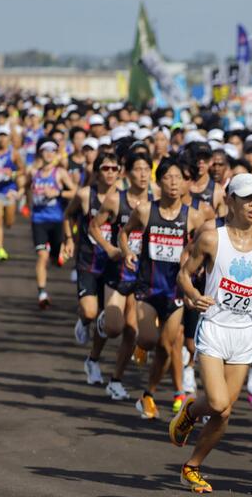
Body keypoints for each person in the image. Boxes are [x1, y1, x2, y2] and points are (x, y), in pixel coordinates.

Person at [167, 174, 252, 493]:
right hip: (215, 327)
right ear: (230, 201)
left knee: (225, 412)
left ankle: (192, 466)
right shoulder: (211, 238)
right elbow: (185, 275)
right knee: (217, 403)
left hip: (245, 333)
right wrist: (193, 294)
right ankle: (191, 409)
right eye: (247, 199)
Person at [119, 157, 205, 419]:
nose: (173, 182)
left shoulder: (194, 216)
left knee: (167, 348)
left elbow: (203, 247)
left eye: (178, 177)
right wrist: (126, 252)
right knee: (148, 339)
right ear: (159, 182)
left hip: (175, 292)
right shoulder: (146, 210)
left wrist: (196, 265)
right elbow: (124, 233)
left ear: (184, 182)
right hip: (147, 288)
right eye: (167, 177)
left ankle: (148, 394)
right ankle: (141, 348)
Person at [98, 151, 156, 401]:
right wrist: (111, 248)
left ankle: (116, 380)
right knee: (114, 328)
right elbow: (94, 225)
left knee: (133, 332)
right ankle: (103, 321)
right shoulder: (115, 199)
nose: (142, 174)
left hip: (142, 274)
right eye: (138, 169)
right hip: (118, 270)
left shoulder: (157, 201)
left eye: (146, 169)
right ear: (127, 172)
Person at [62, 150, 122, 385]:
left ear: (119, 172)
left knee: (108, 320)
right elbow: (68, 215)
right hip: (88, 262)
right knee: (90, 312)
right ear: (97, 172)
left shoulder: (122, 198)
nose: (109, 173)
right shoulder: (86, 195)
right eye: (105, 168)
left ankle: (93, 360)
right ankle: (85, 321)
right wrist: (68, 239)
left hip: (113, 266)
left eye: (114, 168)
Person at [30, 140, 76, 308]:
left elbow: (75, 192)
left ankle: (57, 254)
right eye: (45, 150)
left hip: (57, 220)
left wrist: (58, 192)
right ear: (40, 153)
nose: (49, 154)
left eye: (52, 151)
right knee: (42, 256)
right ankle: (42, 293)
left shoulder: (60, 173)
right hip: (39, 220)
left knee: (56, 256)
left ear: (57, 154)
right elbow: (24, 187)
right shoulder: (34, 172)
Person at [0, 125, 24, 260]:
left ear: (9, 138)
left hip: (9, 191)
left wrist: (12, 173)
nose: (2, 138)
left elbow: (22, 170)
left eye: (4, 136)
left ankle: (8, 223)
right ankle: (0, 249)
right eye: (0, 135)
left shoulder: (14, 153)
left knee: (9, 222)